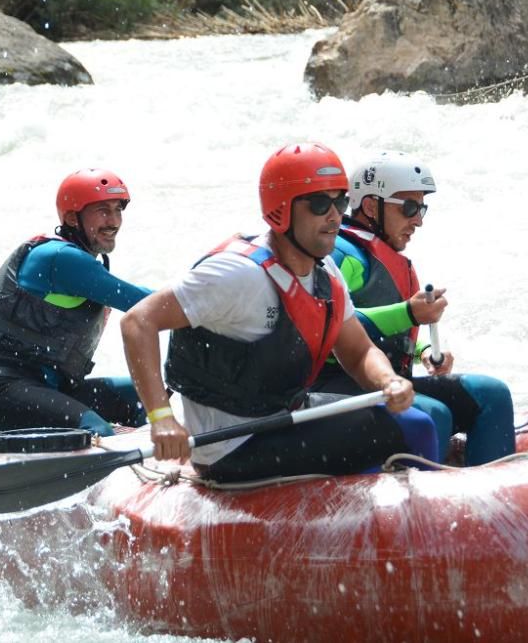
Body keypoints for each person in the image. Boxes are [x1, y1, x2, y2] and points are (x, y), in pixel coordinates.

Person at [120, 143, 439, 481]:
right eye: (320, 204)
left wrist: (386, 380)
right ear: (282, 210)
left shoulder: (326, 273)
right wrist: (161, 418)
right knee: (395, 431)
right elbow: (138, 321)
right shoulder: (238, 275)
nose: (334, 215)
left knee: (417, 422)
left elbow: (358, 352)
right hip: (231, 446)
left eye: (340, 201)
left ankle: (386, 521)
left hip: (284, 417)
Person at [314, 151, 515, 465]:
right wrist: (408, 313)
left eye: (422, 208)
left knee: (492, 394)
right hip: (337, 388)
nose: (418, 220)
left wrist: (422, 349)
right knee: (433, 414)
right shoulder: (340, 253)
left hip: (393, 383)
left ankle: (497, 501)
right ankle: (423, 508)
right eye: (409, 207)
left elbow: (392, 330)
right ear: (370, 206)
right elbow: (328, 324)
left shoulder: (392, 259)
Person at [0, 168, 151, 442]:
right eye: (102, 211)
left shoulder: (80, 259)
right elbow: (143, 302)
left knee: (145, 394)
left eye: (117, 210)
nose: (113, 221)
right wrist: (210, 303)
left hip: (49, 389)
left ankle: (162, 469)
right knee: (97, 433)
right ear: (73, 217)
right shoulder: (59, 258)